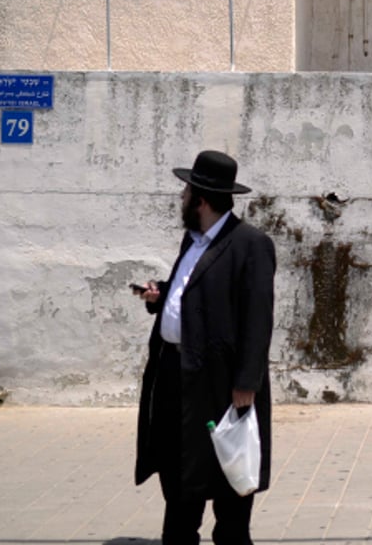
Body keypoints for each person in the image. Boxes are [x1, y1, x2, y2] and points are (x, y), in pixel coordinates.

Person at [134, 150, 277, 545]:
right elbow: (192, 295)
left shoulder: (250, 244)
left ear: (201, 199)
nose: (181, 198)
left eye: (185, 191)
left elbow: (257, 318)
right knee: (179, 477)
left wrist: (247, 381)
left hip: (222, 385)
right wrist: (159, 296)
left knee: (229, 485)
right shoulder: (192, 240)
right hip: (176, 378)